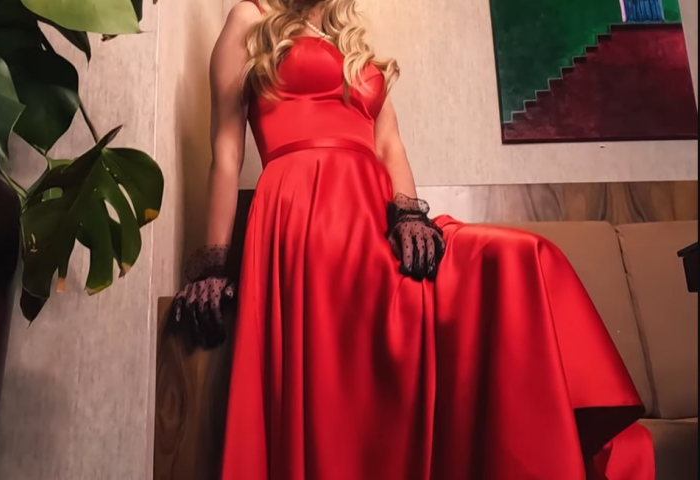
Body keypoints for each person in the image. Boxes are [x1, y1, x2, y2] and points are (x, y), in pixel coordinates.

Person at [171, 1, 655, 479]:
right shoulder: (251, 18)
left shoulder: (350, 44)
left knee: (519, 258)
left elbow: (389, 145)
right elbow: (226, 151)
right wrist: (213, 264)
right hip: (306, 216)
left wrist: (408, 216)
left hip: (377, 221)